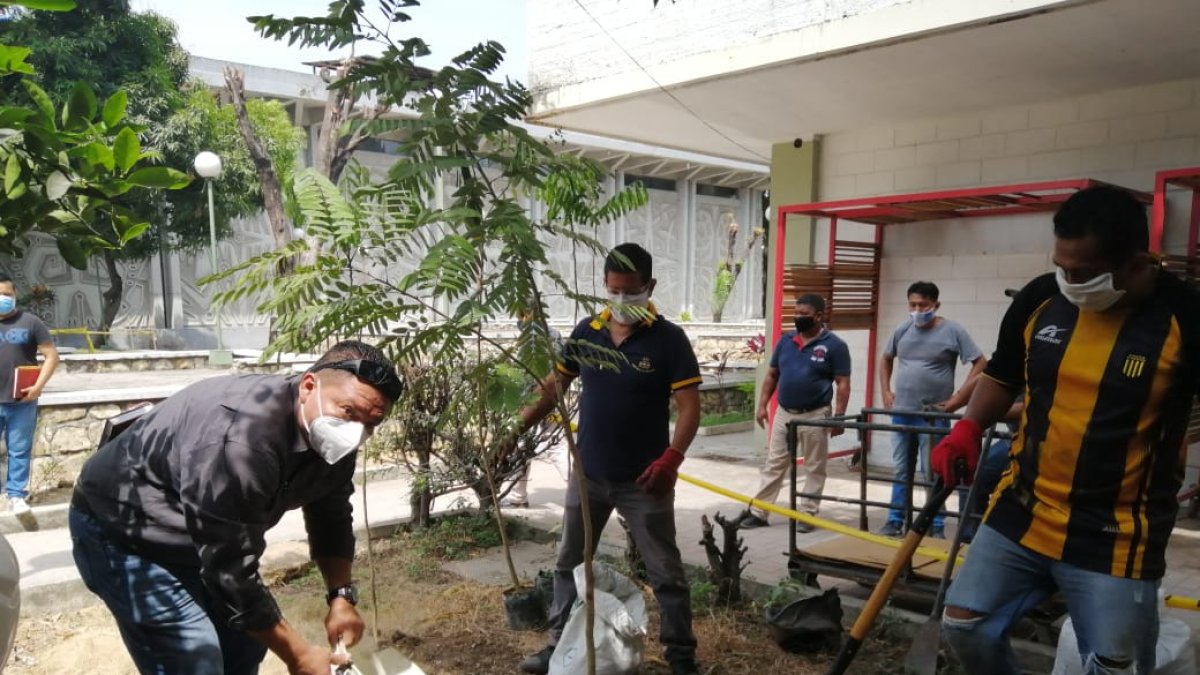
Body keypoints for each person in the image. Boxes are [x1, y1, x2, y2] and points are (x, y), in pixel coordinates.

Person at [932, 186, 1200, 675]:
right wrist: (968, 426)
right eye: (1062, 266)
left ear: (1139, 262)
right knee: (963, 626)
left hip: (1119, 532)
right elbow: (1002, 375)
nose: (1068, 281)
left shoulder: (1185, 317)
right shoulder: (1041, 297)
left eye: (1083, 272)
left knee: (1113, 666)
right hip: (1024, 509)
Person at [70, 340, 404, 675]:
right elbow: (229, 569)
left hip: (200, 537)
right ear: (308, 386)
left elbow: (330, 512)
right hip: (124, 532)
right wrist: (298, 654)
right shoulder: (240, 442)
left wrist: (341, 597)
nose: (355, 432)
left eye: (370, 423)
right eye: (348, 412)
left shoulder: (331, 434)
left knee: (244, 645)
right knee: (193, 660)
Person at [516, 243, 703, 675]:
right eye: (614, 290)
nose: (622, 300)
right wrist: (515, 431)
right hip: (589, 476)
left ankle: (681, 657)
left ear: (649, 287)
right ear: (604, 286)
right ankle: (558, 645)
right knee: (568, 562)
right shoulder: (586, 332)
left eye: (631, 291)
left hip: (645, 481)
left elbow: (690, 408)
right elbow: (553, 389)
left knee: (666, 573)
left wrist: (672, 459)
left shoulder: (669, 340)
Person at [877, 281, 986, 538]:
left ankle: (934, 525)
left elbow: (980, 362)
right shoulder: (903, 328)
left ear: (935, 305)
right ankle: (895, 520)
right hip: (903, 412)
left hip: (933, 416)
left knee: (934, 470)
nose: (917, 310)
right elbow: (885, 358)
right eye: (912, 304)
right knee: (902, 468)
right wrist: (885, 391)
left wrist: (958, 398)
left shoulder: (952, 331)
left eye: (923, 305)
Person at [736, 293, 851, 532]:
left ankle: (807, 514)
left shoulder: (835, 346)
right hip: (784, 413)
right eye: (796, 314)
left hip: (816, 414)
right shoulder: (786, 341)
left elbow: (843, 383)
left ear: (819, 316)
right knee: (774, 463)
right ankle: (759, 512)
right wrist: (762, 405)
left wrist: (839, 415)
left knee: (814, 465)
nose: (798, 318)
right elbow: (772, 375)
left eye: (804, 315)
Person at [0, 273, 59, 515]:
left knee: (19, 449)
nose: (2, 298)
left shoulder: (31, 322)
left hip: (21, 400)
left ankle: (16, 495)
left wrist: (38, 387)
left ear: (15, 295)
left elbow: (52, 356)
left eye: (6, 294)